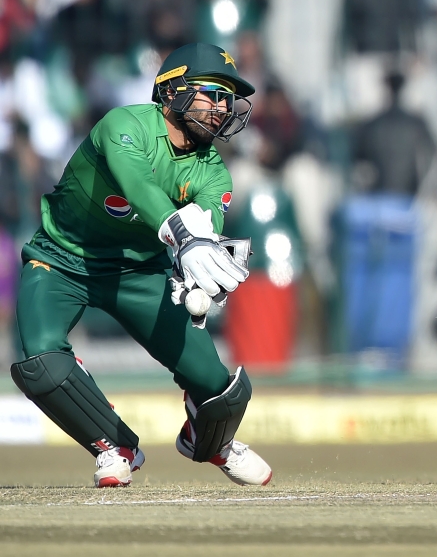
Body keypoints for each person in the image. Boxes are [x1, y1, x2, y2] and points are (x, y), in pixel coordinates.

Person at [11, 43, 273, 488]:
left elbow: (207, 230)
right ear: (171, 91)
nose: (222, 107)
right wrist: (184, 235)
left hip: (140, 271)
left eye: (228, 97)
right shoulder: (125, 125)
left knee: (218, 386)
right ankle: (115, 447)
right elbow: (140, 187)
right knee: (41, 361)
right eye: (212, 91)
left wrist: (203, 268)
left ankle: (207, 440)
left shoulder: (213, 172)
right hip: (62, 257)